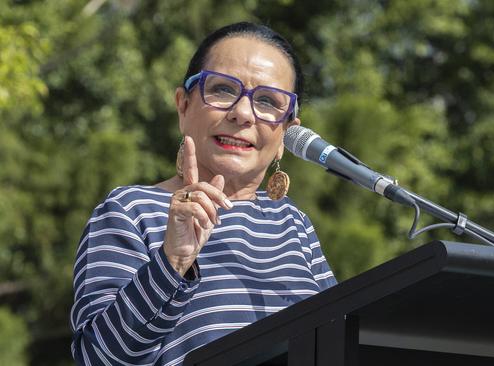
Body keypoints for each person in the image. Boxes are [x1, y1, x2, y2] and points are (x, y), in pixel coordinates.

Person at [70, 22, 337, 365]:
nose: (242, 113)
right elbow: (97, 357)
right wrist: (174, 261)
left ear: (286, 132)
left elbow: (339, 333)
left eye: (268, 101)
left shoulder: (293, 224)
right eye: (224, 90)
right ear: (183, 107)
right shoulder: (130, 211)